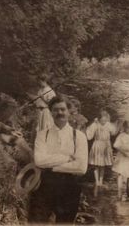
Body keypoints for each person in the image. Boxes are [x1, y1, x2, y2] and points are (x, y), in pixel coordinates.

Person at [29, 96, 88, 224]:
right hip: (45, 186)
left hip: (69, 186)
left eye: (63, 109)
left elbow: (81, 168)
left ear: (69, 111)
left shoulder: (79, 137)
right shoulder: (42, 135)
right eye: (55, 110)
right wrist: (66, 158)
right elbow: (39, 160)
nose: (59, 113)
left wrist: (51, 166)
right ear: (51, 112)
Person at [86, 109, 117, 187]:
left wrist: (115, 124)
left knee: (102, 165)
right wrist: (94, 123)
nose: (103, 122)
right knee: (96, 165)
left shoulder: (108, 124)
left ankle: (101, 181)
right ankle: (97, 181)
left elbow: (113, 132)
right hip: (97, 145)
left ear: (107, 119)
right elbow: (89, 135)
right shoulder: (96, 124)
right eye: (101, 120)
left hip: (106, 146)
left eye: (105, 120)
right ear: (99, 119)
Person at [112, 120, 129, 201]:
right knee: (120, 173)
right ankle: (119, 193)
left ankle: (128, 192)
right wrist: (123, 151)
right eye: (128, 128)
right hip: (122, 157)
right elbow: (115, 145)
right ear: (124, 128)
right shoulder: (121, 135)